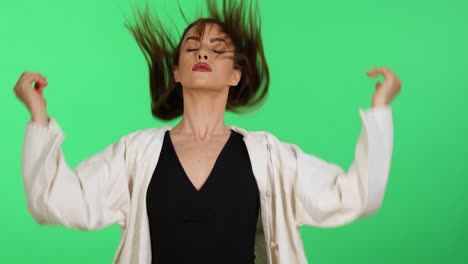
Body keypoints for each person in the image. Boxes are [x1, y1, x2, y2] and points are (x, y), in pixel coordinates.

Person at [14, 1, 401, 263]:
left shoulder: (270, 157)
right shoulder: (137, 153)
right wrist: (39, 118)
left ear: (236, 75)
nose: (203, 53)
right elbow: (53, 201)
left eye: (218, 49)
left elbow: (357, 196)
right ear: (177, 71)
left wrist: (380, 109)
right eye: (192, 47)